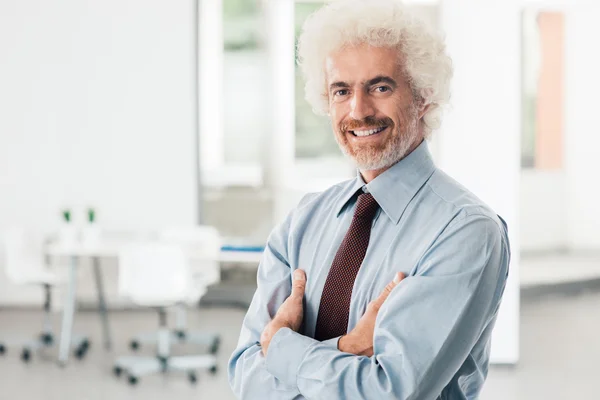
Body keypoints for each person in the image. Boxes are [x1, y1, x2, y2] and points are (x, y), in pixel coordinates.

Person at [228, 0, 510, 398]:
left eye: (380, 87)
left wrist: (282, 348)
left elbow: (390, 391)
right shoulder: (303, 221)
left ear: (423, 96)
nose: (358, 110)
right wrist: (346, 351)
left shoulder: (466, 231)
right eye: (341, 91)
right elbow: (245, 375)